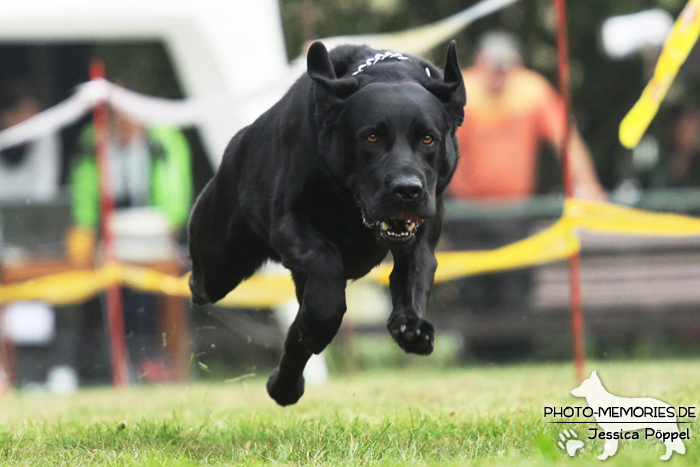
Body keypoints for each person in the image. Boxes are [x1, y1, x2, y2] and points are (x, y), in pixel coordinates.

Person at [445, 31, 605, 361]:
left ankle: (518, 354)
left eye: (506, 69)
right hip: (467, 211)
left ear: (516, 66)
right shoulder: (461, 93)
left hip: (515, 211)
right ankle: (477, 355)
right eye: (494, 68)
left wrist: (588, 185)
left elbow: (566, 138)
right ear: (479, 63)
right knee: (474, 287)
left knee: (517, 285)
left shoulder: (531, 91)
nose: (499, 77)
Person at [69, 104, 192, 382]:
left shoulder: (162, 140)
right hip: (109, 236)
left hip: (154, 235)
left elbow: (175, 193)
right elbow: (84, 191)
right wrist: (86, 227)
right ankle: (107, 361)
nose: (123, 131)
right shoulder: (94, 141)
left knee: (148, 292)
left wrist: (169, 226)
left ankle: (153, 358)